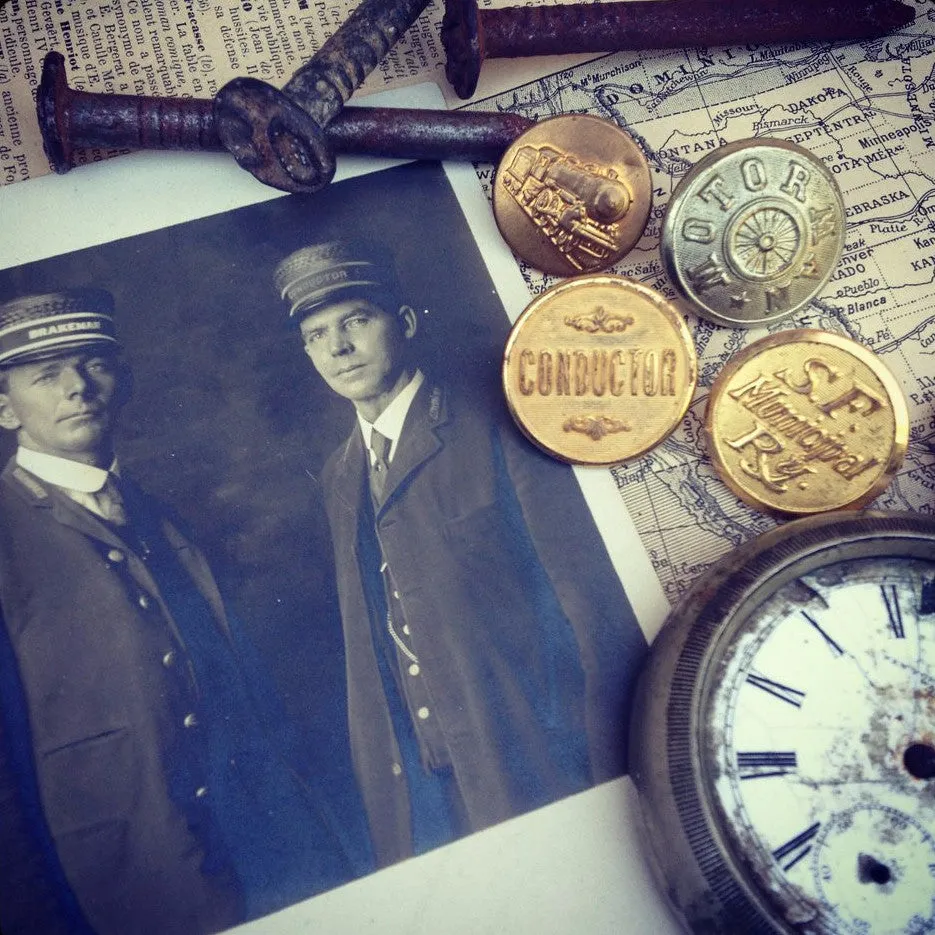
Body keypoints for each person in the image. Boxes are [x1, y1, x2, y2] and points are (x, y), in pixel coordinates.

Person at [274, 240, 647, 867]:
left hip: (535, 755)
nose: (338, 348)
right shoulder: (341, 473)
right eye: (317, 334)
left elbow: (583, 604)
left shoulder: (489, 422)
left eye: (357, 321)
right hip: (434, 785)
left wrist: (597, 756)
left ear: (408, 322)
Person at [0, 288, 362, 935]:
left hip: (255, 854)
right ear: (4, 405)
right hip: (114, 879)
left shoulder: (157, 515)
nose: (77, 388)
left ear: (123, 380)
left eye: (94, 365)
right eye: (46, 375)